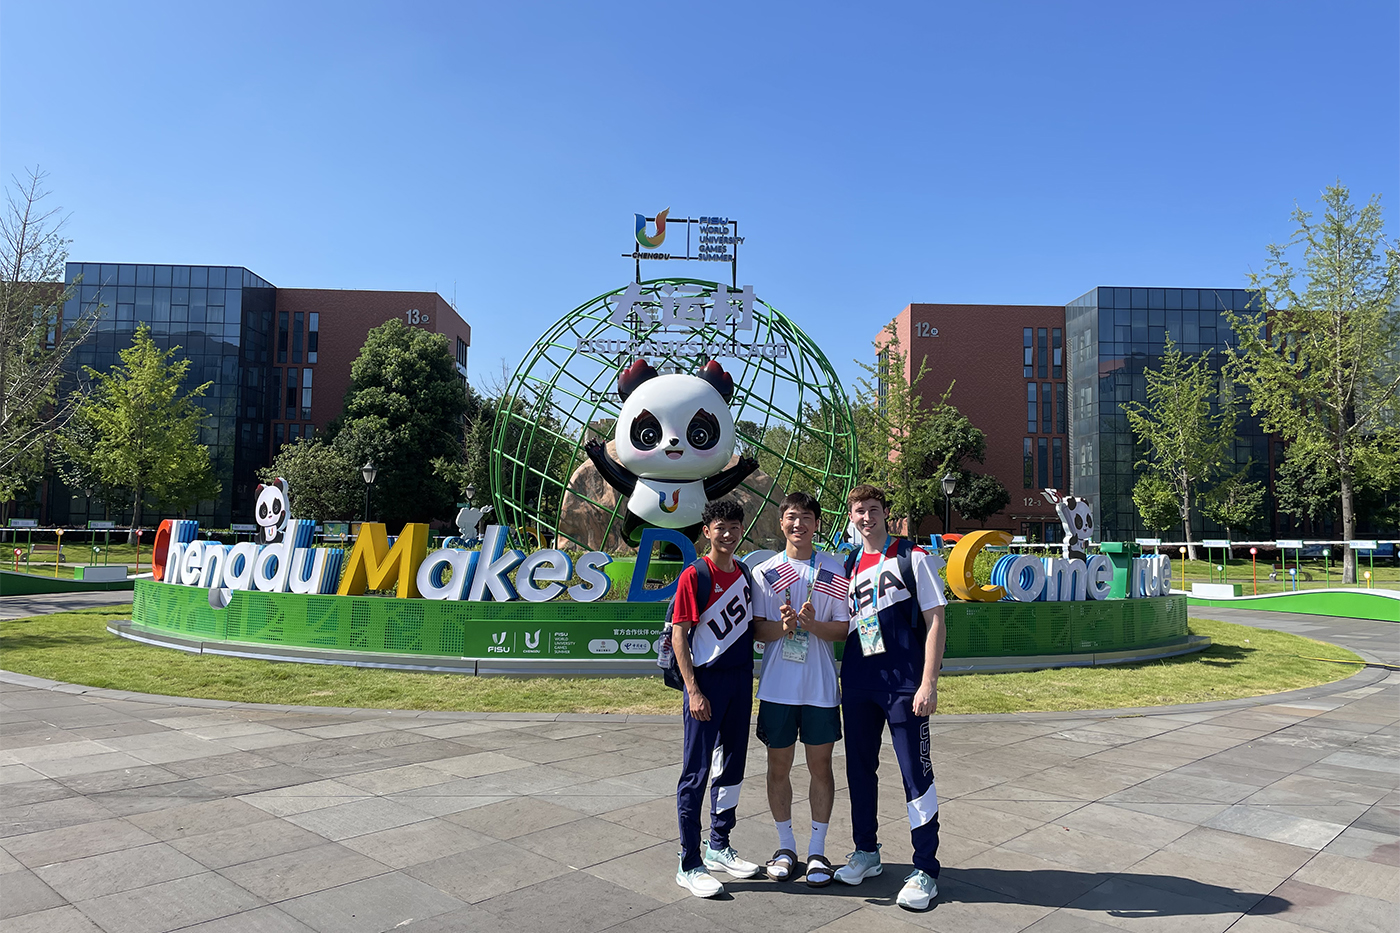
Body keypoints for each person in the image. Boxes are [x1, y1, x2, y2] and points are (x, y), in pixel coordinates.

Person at [833, 484, 948, 911]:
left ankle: (926, 869)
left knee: (915, 775)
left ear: (886, 514)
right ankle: (866, 851)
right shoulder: (847, 563)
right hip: (859, 683)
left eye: (874, 510)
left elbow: (936, 619)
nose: (867, 517)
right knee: (860, 772)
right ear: (852, 515)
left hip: (904, 685)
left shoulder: (911, 557)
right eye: (859, 511)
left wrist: (928, 682)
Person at [751, 491, 851, 886]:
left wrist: (810, 626)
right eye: (792, 517)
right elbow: (759, 629)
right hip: (777, 688)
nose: (799, 524)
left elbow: (842, 629)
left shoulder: (834, 567)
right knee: (777, 768)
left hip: (821, 688)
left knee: (820, 768)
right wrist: (785, 627)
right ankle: (785, 847)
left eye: (807, 517)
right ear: (782, 522)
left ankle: (817, 852)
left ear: (817, 523)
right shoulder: (766, 571)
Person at [671, 498, 762, 898]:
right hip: (707, 684)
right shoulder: (695, 575)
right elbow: (680, 635)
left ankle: (719, 844)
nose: (727, 534)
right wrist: (693, 690)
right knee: (696, 772)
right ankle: (689, 861)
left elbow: (755, 627)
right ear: (707, 531)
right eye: (720, 527)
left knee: (733, 765)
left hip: (742, 682)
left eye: (734, 527)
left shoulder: (743, 572)